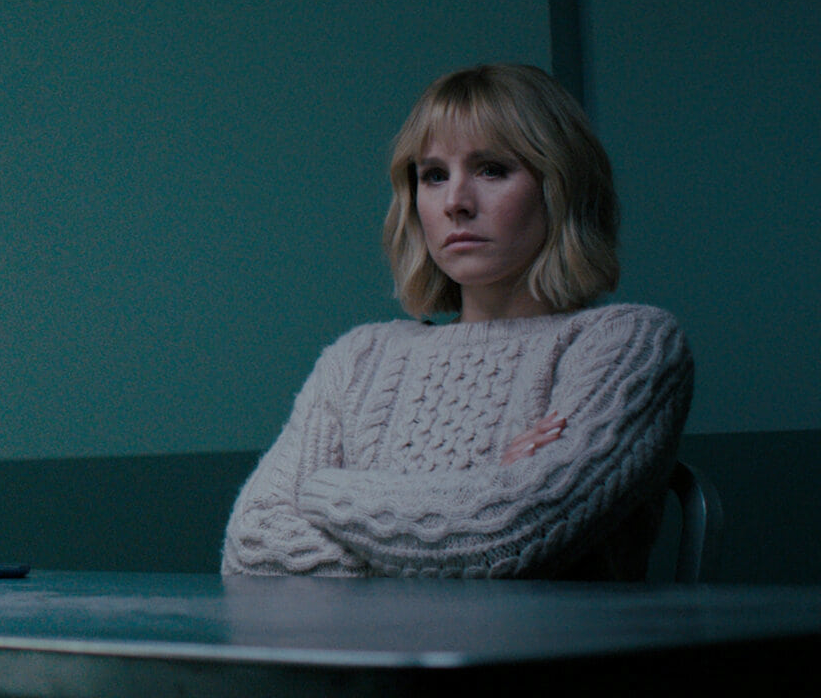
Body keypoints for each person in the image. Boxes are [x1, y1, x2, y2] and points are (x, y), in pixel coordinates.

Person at [221, 64, 692, 578]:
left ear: (558, 184)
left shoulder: (629, 344)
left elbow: (507, 534)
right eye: (434, 176)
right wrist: (480, 490)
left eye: (492, 169)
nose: (455, 203)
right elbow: (253, 544)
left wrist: (320, 491)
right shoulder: (358, 357)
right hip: (362, 637)